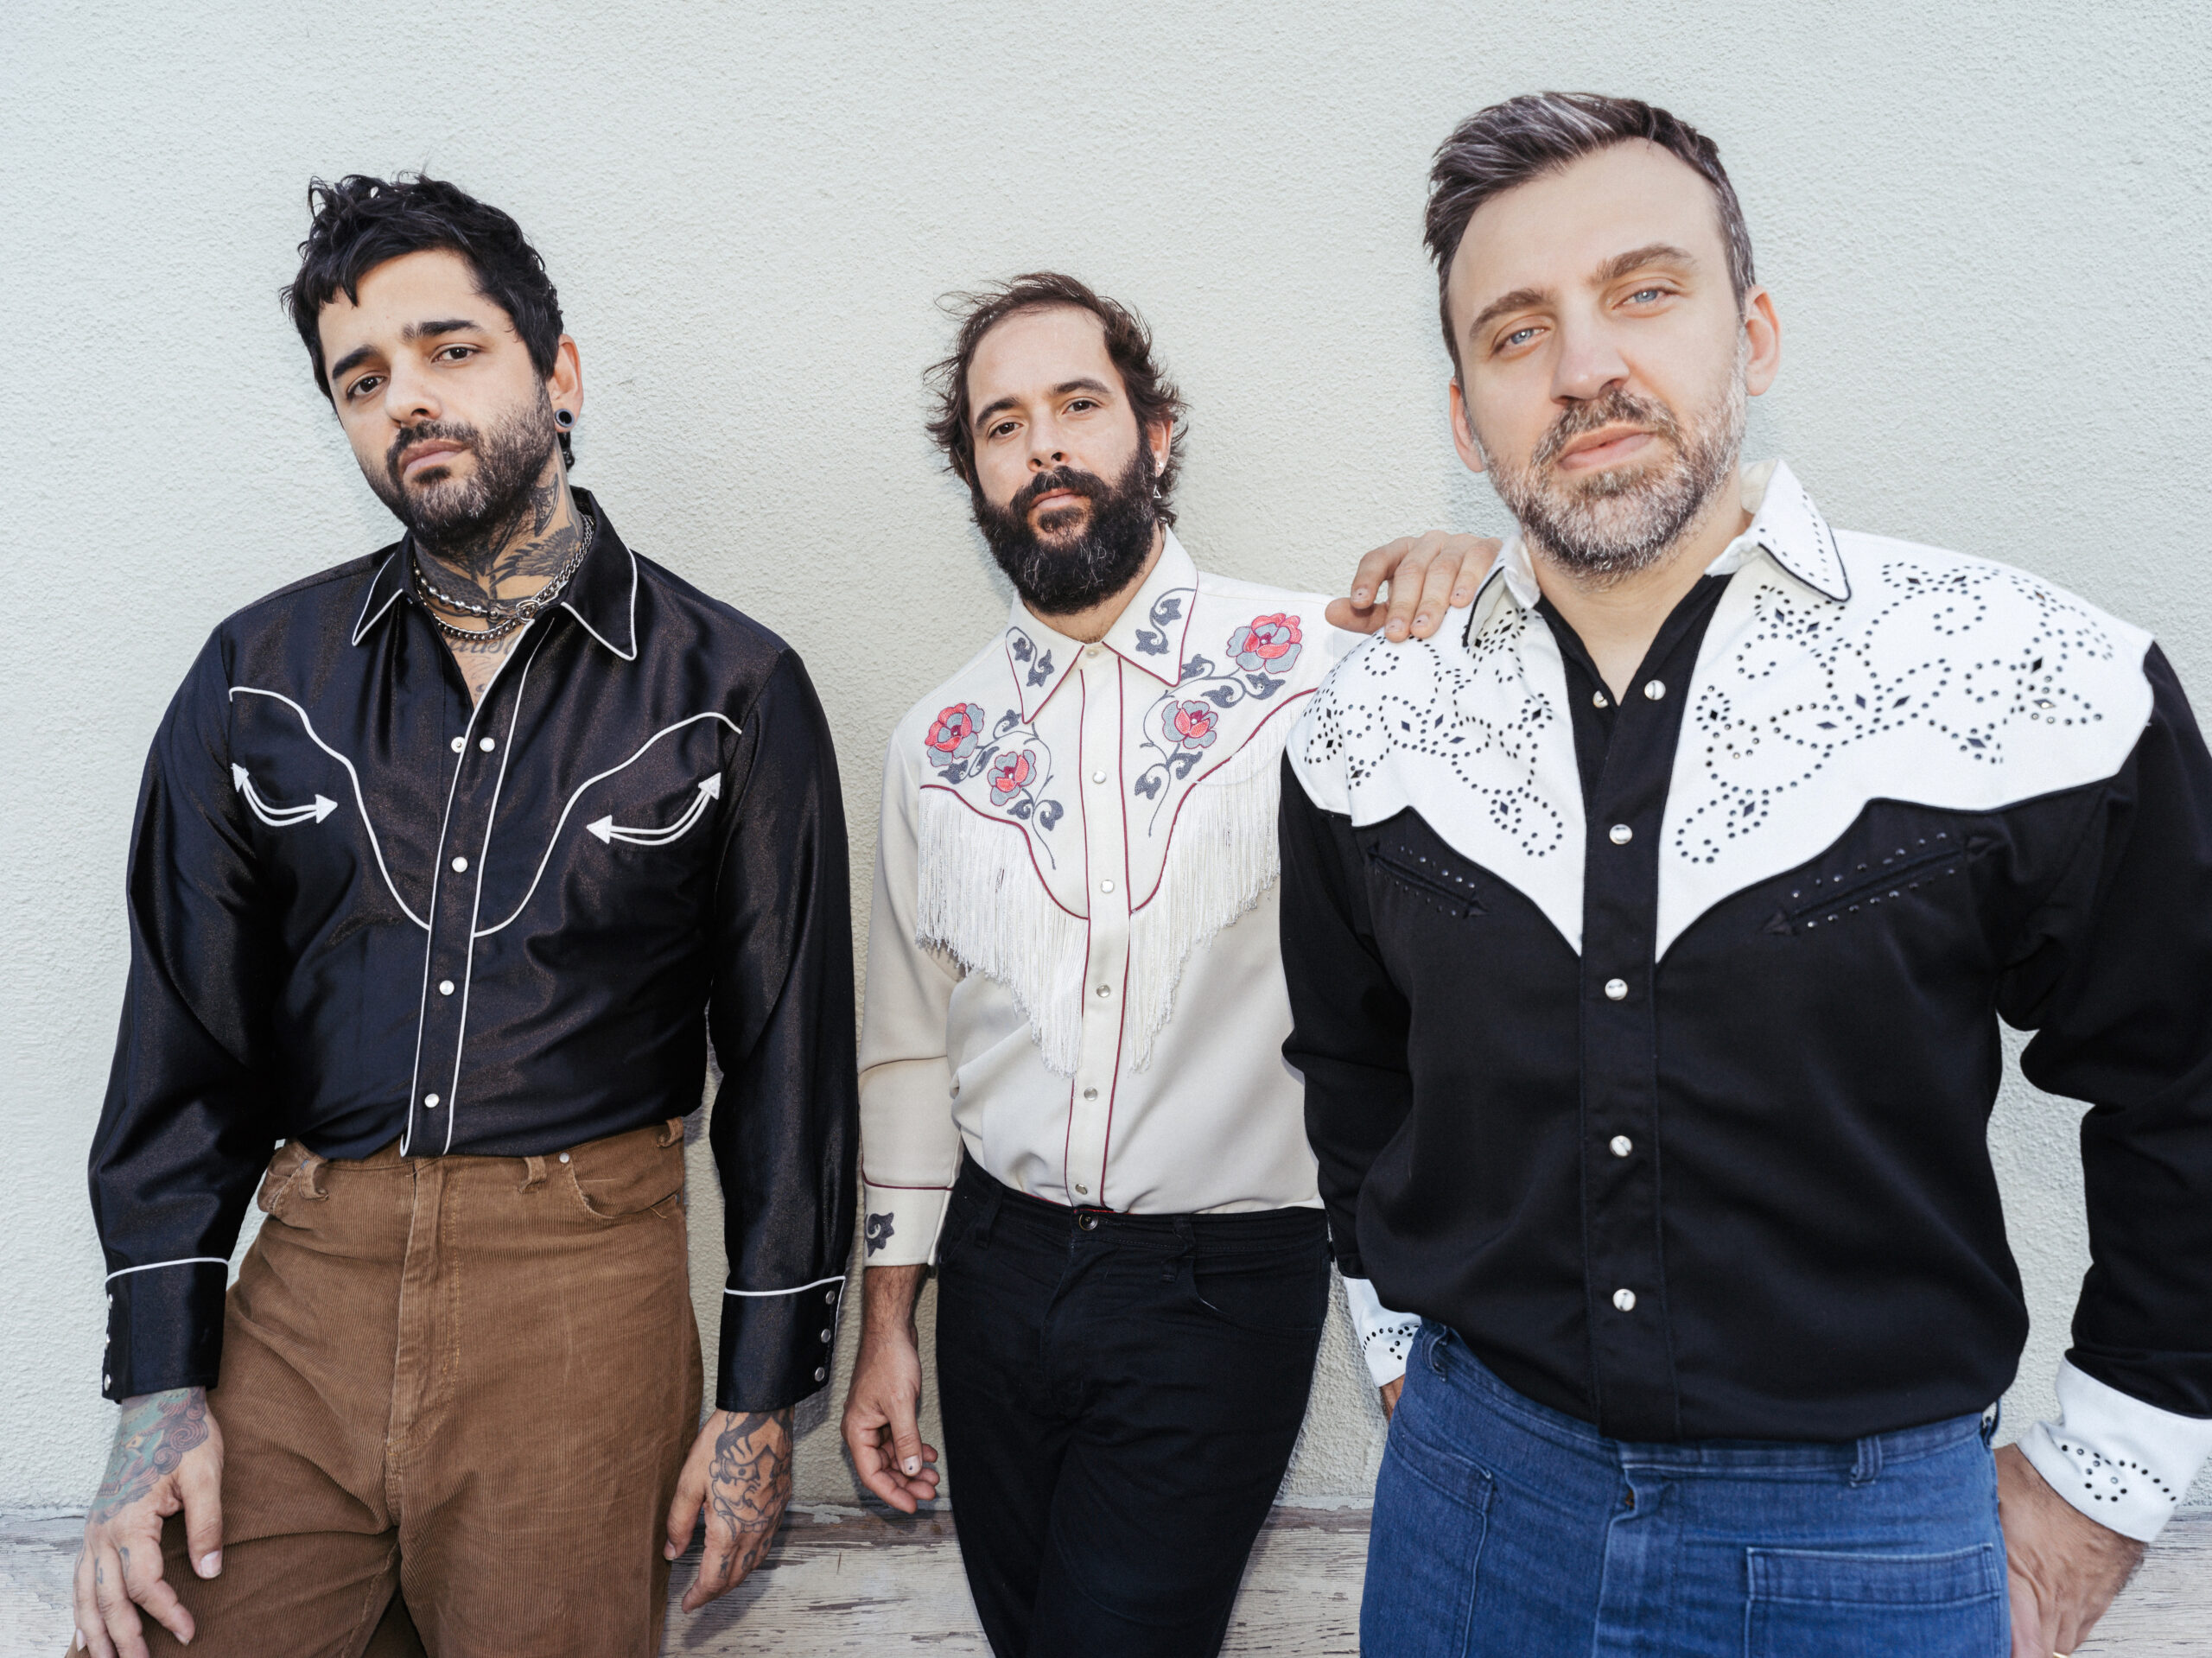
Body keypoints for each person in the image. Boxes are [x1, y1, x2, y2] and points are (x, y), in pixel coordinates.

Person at [1278, 92, 2212, 1657]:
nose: (1585, 366)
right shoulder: (1367, 723)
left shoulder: (2034, 679)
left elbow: (2186, 1085)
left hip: (1870, 1545)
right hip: (1466, 1511)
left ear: (1754, 333)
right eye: (1518, 332)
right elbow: (1354, 1072)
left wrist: (2107, 1487)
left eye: (1645, 292)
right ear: (1463, 417)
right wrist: (1393, 1347)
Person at [72, 174, 858, 1658]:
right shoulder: (256, 676)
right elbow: (184, 1039)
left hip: (583, 1304)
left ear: (559, 376)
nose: (407, 400)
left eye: (450, 349)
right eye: (361, 379)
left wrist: (761, 1397)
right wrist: (158, 1382)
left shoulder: (733, 689)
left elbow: (788, 1067)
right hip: (304, 1293)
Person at [838, 273, 1495, 1656]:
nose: (1044, 447)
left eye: (1078, 404)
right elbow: (906, 1050)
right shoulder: (935, 743)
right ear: (974, 474)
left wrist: (1491, 584)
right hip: (994, 1276)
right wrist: (886, 1325)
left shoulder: (1326, 669)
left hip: (1221, 1283)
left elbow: (1457, 961)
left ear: (1155, 431)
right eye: (1002, 425)